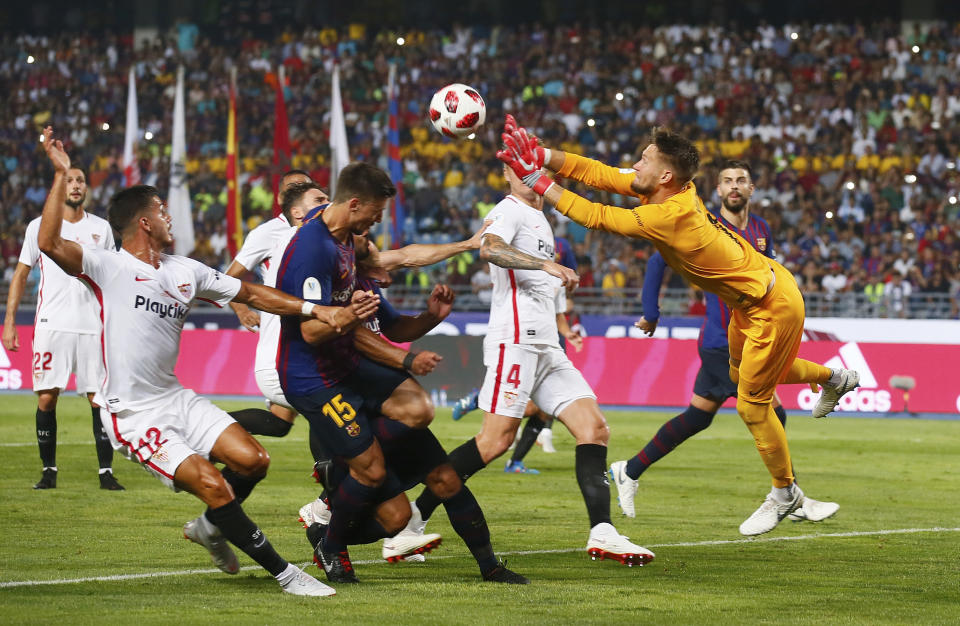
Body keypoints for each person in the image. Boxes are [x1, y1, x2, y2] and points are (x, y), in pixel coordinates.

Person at [497, 118, 859, 536]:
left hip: (771, 305)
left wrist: (538, 182)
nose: (635, 164)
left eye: (644, 159)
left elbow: (596, 215)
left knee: (751, 405)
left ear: (665, 174)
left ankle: (784, 493)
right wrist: (542, 157)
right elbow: (600, 173)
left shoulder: (669, 214)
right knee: (751, 377)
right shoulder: (672, 188)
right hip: (752, 300)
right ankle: (834, 377)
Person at [35, 127, 335, 596]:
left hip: (176, 398)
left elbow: (252, 291)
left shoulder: (185, 271)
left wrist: (314, 309)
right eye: (161, 208)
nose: (169, 214)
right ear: (142, 222)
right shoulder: (107, 265)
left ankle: (211, 528)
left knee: (254, 460)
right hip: (132, 414)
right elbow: (50, 243)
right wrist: (58, 175)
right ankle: (286, 574)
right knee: (215, 484)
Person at [277, 162, 526, 584]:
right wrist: (353, 321)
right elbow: (312, 331)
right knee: (373, 471)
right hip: (316, 379)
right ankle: (332, 530)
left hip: (354, 373)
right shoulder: (313, 249)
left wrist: (430, 316)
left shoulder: (348, 245)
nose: (378, 224)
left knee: (427, 483)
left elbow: (394, 307)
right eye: (374, 213)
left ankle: (490, 567)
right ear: (354, 205)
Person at [404, 162, 655, 566]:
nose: (526, 173)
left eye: (533, 165)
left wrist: (560, 310)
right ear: (506, 173)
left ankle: (603, 531)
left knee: (594, 428)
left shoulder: (541, 218)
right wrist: (546, 265)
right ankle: (412, 518)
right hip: (516, 342)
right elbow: (489, 248)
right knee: (495, 441)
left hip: (547, 347)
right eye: (518, 167)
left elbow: (542, 285)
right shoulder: (509, 210)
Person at [609, 161, 839, 525]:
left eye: (741, 181)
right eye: (727, 181)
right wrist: (651, 313)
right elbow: (657, 262)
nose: (734, 187)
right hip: (722, 341)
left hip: (754, 335)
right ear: (717, 190)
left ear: (751, 188)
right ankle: (792, 495)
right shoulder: (704, 224)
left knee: (698, 417)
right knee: (771, 410)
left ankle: (629, 470)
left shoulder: (762, 228)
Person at [2, 162, 124, 491]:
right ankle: (49, 471)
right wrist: (10, 321)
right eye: (69, 180)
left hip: (94, 326)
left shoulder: (102, 228)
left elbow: (117, 276)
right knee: (46, 398)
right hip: (51, 324)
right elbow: (21, 273)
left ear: (87, 188)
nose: (75, 185)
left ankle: (106, 473)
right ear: (59, 186)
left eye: (80, 180)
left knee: (98, 400)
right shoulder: (39, 226)